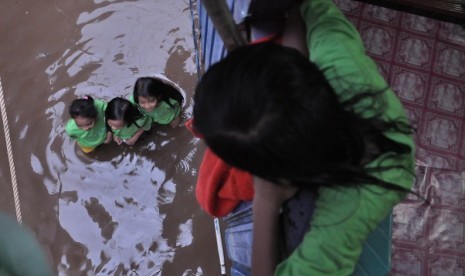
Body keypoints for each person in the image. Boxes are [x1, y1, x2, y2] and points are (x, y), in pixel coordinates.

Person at [191, 0, 415, 275]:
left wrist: (266, 200)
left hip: (387, 175)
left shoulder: (343, 217)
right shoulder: (339, 57)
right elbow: (308, 8)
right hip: (382, 131)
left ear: (276, 170)